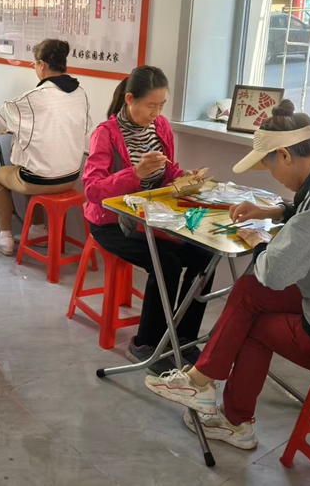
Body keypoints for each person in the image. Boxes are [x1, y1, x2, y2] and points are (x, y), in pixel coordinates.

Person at [144, 101, 310, 450]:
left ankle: (234, 421)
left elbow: (274, 272)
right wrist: (272, 211)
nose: (274, 176)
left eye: (270, 167)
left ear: (285, 155)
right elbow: (308, 208)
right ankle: (200, 383)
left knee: (254, 317)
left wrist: (259, 241)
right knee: (249, 293)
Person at [82, 66, 213, 374]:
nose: (157, 113)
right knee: (165, 263)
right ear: (130, 99)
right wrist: (135, 173)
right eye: (151, 105)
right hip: (112, 222)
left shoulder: (161, 127)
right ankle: (145, 344)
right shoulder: (106, 133)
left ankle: (183, 338)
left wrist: (185, 177)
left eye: (162, 105)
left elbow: (167, 171)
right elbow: (92, 190)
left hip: (152, 218)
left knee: (205, 255)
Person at [0, 39, 91, 256]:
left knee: (1, 176)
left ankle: (4, 238)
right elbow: (85, 126)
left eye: (35, 64)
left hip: (40, 181)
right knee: (31, 165)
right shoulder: (80, 93)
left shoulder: (33, 98)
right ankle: (36, 229)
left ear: (42, 64)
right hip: (72, 177)